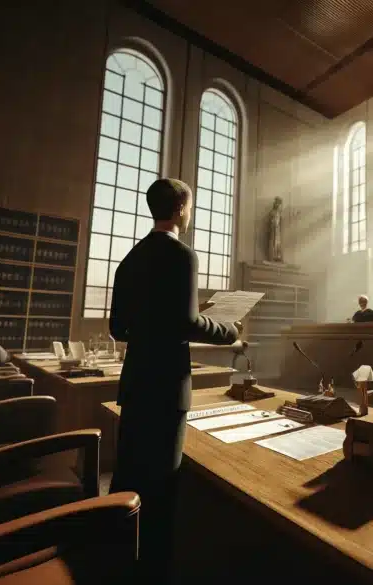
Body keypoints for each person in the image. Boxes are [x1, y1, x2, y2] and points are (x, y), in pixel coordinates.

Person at [108, 178, 240, 582]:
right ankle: (154, 571)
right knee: (162, 485)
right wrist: (229, 329)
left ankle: (114, 556)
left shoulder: (130, 259)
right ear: (182, 208)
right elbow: (186, 322)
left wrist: (152, 328)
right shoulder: (182, 255)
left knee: (129, 473)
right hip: (166, 384)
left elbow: (117, 327)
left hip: (136, 382)